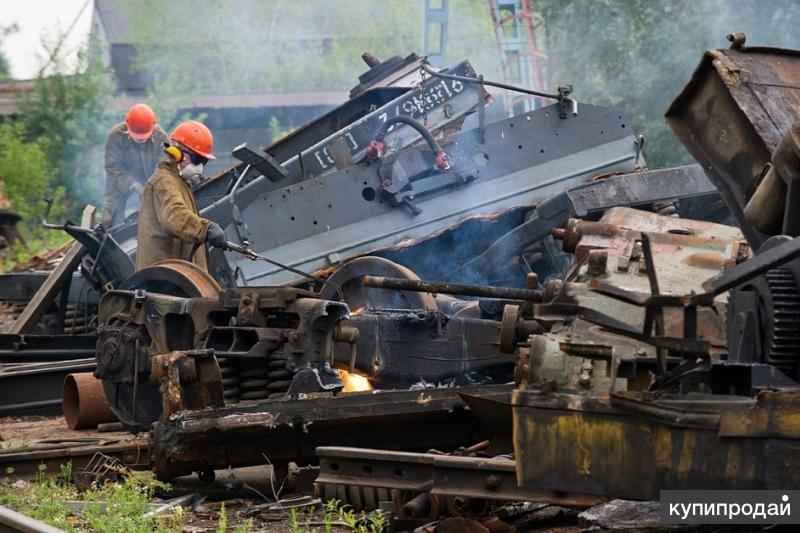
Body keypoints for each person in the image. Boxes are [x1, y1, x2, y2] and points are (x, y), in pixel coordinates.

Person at [136, 120, 228, 271]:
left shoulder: (180, 182)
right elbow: (175, 216)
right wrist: (206, 229)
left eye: (203, 161)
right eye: (197, 159)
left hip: (175, 277)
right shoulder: (164, 182)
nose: (199, 166)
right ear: (176, 154)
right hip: (163, 282)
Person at [103, 103, 169, 227]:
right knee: (112, 209)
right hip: (122, 177)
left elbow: (164, 166)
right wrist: (132, 184)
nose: (140, 140)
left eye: (144, 137)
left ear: (153, 126)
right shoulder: (116, 135)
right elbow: (113, 166)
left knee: (158, 207)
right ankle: (110, 235)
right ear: (127, 125)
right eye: (137, 136)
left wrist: (151, 186)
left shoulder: (161, 138)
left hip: (152, 176)